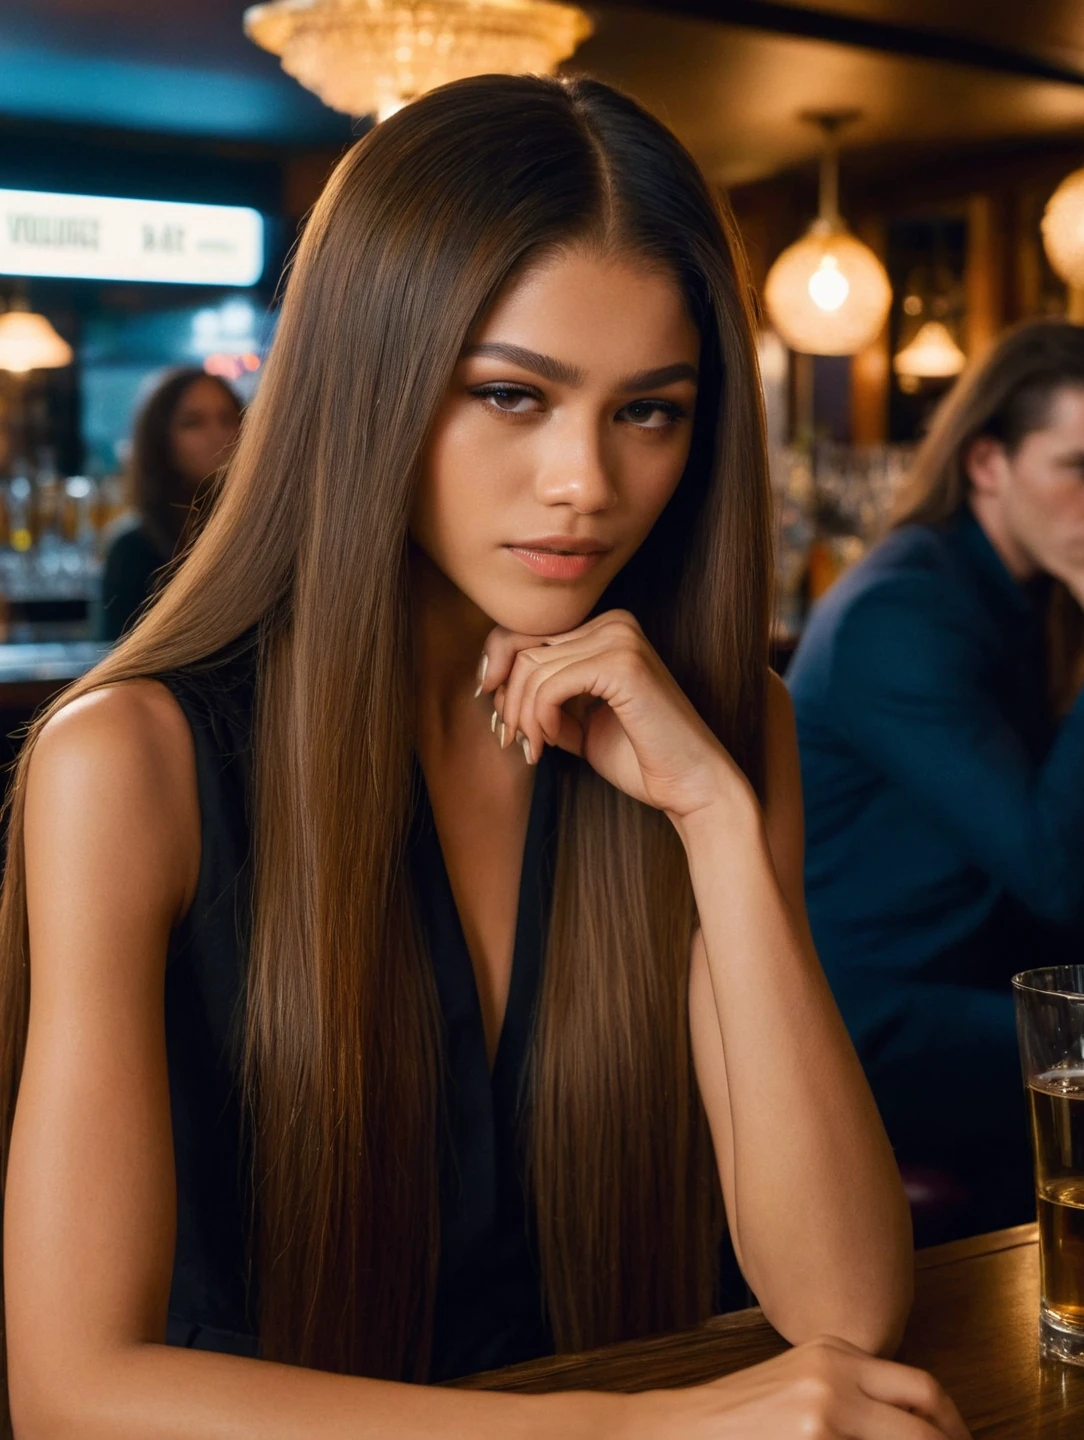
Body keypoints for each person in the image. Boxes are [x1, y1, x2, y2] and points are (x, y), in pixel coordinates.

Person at [0, 77, 968, 1440]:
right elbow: (72, 1391)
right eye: (513, 396)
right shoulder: (131, 761)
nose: (587, 481)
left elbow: (845, 1310)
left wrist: (716, 824)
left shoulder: (710, 735)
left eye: (649, 411)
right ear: (366, 388)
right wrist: (639, 1430)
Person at [787, 320, 1084, 1238]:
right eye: (1083, 468)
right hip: (872, 1016)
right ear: (987, 464)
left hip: (980, 960)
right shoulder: (902, 611)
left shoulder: (1016, 593)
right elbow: (1053, 870)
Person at [96, 367, 241, 641]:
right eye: (193, 423)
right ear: (160, 440)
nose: (218, 435)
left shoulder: (256, 534)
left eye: (227, 418)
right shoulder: (133, 549)